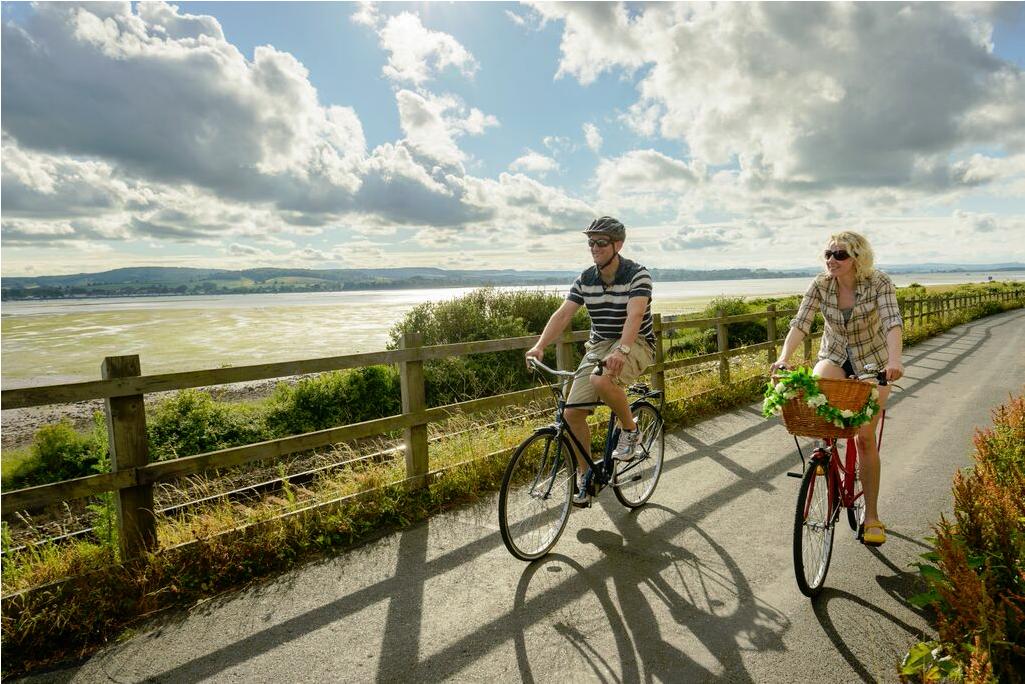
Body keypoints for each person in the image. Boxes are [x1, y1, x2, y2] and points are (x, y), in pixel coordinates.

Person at [770, 230, 904, 546]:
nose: (832, 260)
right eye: (828, 254)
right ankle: (826, 456)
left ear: (857, 258)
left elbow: (891, 323)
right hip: (835, 355)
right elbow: (801, 323)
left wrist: (895, 360)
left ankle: (871, 516)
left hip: (874, 362)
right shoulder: (820, 285)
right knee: (818, 393)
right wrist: (784, 358)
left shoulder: (878, 283)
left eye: (840, 255)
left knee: (865, 437)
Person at [526, 217, 656, 506]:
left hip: (635, 342)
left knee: (602, 379)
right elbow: (563, 315)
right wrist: (539, 346)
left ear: (617, 245)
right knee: (570, 414)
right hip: (599, 345)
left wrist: (622, 352)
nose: (594, 248)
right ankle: (586, 477)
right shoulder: (586, 278)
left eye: (601, 242)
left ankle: (630, 430)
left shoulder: (638, 275)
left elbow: (634, 317)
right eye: (590, 243)